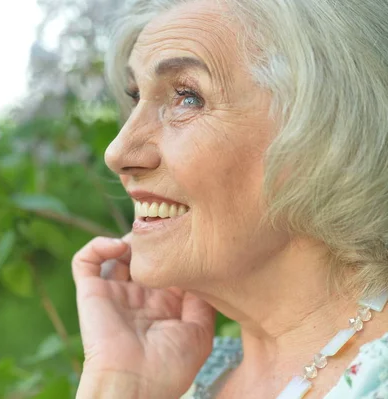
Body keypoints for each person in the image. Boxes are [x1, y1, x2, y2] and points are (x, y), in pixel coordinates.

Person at [71, 0, 388, 398]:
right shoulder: (187, 380)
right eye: (136, 97)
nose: (117, 153)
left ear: (329, 130)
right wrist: (120, 385)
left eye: (187, 97)